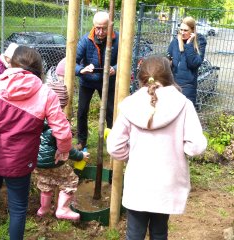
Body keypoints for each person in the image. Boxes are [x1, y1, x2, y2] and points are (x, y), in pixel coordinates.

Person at [106, 55, 207, 240]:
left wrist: (131, 156)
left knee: (134, 234)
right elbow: (196, 146)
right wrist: (178, 149)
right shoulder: (184, 105)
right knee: (160, 233)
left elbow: (114, 146)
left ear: (141, 78)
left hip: (138, 182)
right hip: (168, 184)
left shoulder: (130, 105)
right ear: (170, 76)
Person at [0, 46, 73, 240]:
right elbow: (62, 129)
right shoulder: (46, 94)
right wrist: (63, 150)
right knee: (18, 209)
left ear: (11, 64)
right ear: (38, 67)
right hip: (21, 162)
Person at [34, 58, 90, 221]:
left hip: (37, 160)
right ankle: (63, 209)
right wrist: (80, 156)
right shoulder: (57, 121)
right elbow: (65, 147)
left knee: (46, 183)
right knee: (70, 180)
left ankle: (43, 210)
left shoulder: (37, 115)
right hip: (54, 161)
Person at [75, 11, 119, 150]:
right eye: (97, 28)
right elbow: (72, 62)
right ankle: (81, 141)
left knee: (110, 112)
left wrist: (115, 68)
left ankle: (112, 142)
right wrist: (81, 70)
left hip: (108, 81)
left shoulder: (117, 40)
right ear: (94, 26)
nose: (100, 32)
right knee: (82, 111)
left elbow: (124, 60)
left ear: (110, 26)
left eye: (104, 28)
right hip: (87, 81)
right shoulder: (85, 40)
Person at [167, 16, 207, 107]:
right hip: (172, 85)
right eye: (181, 30)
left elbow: (194, 64)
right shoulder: (175, 42)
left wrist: (189, 45)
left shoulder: (200, 42)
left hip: (188, 87)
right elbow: (168, 60)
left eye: (185, 30)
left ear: (192, 30)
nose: (182, 33)